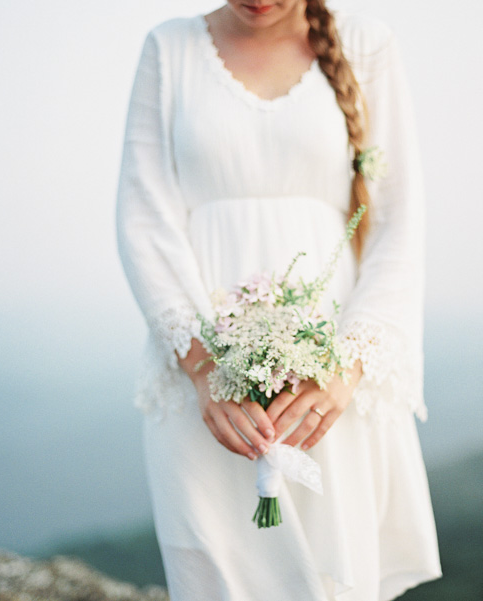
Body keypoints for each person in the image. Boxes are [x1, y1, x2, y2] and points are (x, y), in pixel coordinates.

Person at [116, 0, 442, 599]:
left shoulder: (367, 45)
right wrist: (204, 368)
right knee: (220, 567)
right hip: (202, 371)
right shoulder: (170, 49)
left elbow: (401, 224)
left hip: (330, 370)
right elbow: (144, 218)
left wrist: (347, 367)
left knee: (330, 576)